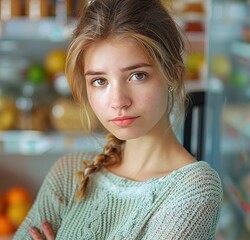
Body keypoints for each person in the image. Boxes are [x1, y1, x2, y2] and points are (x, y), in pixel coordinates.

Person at [13, 0, 223, 239]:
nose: (118, 101)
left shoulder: (193, 189)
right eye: (99, 81)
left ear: (173, 75)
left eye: (137, 75)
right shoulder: (69, 174)